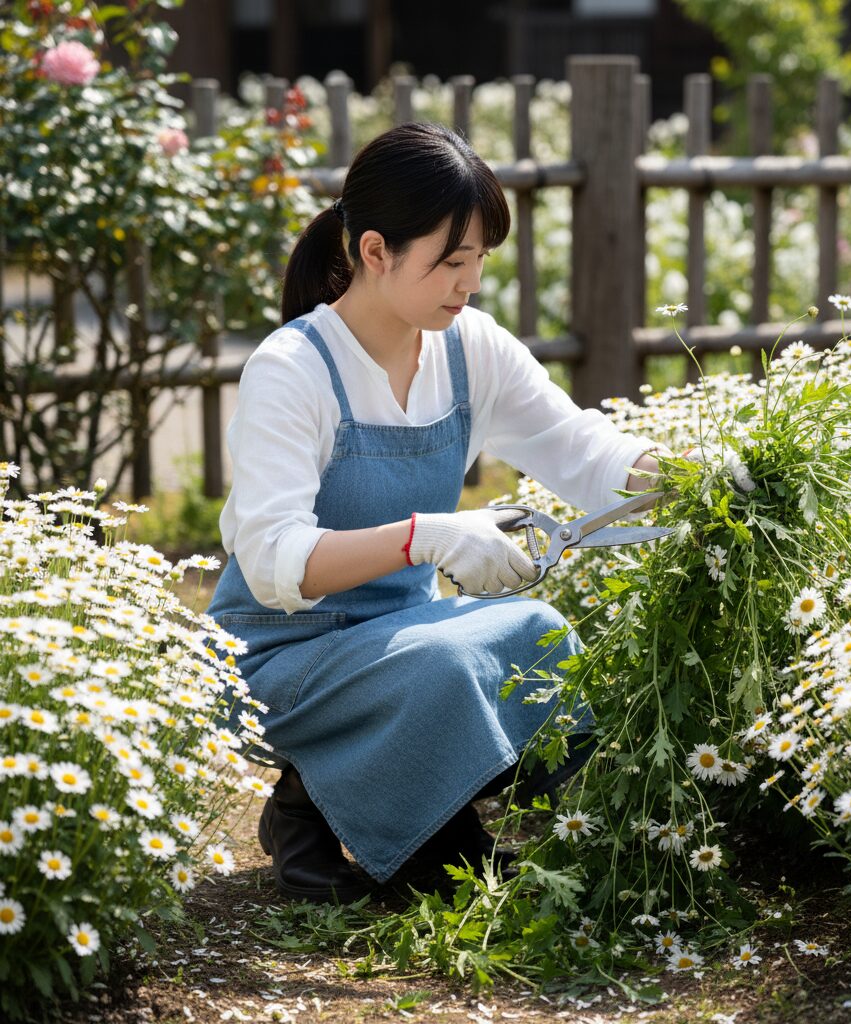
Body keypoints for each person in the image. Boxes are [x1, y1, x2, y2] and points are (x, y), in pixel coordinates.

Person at [206, 121, 669, 903]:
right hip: (281, 656)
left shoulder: (469, 347)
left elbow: (574, 447)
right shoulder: (293, 369)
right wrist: (427, 536)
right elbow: (275, 562)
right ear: (376, 251)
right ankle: (357, 817)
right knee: (450, 664)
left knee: (541, 635)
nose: (471, 282)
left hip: (400, 644)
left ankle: (352, 803)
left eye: (480, 259)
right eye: (452, 262)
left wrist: (691, 473)